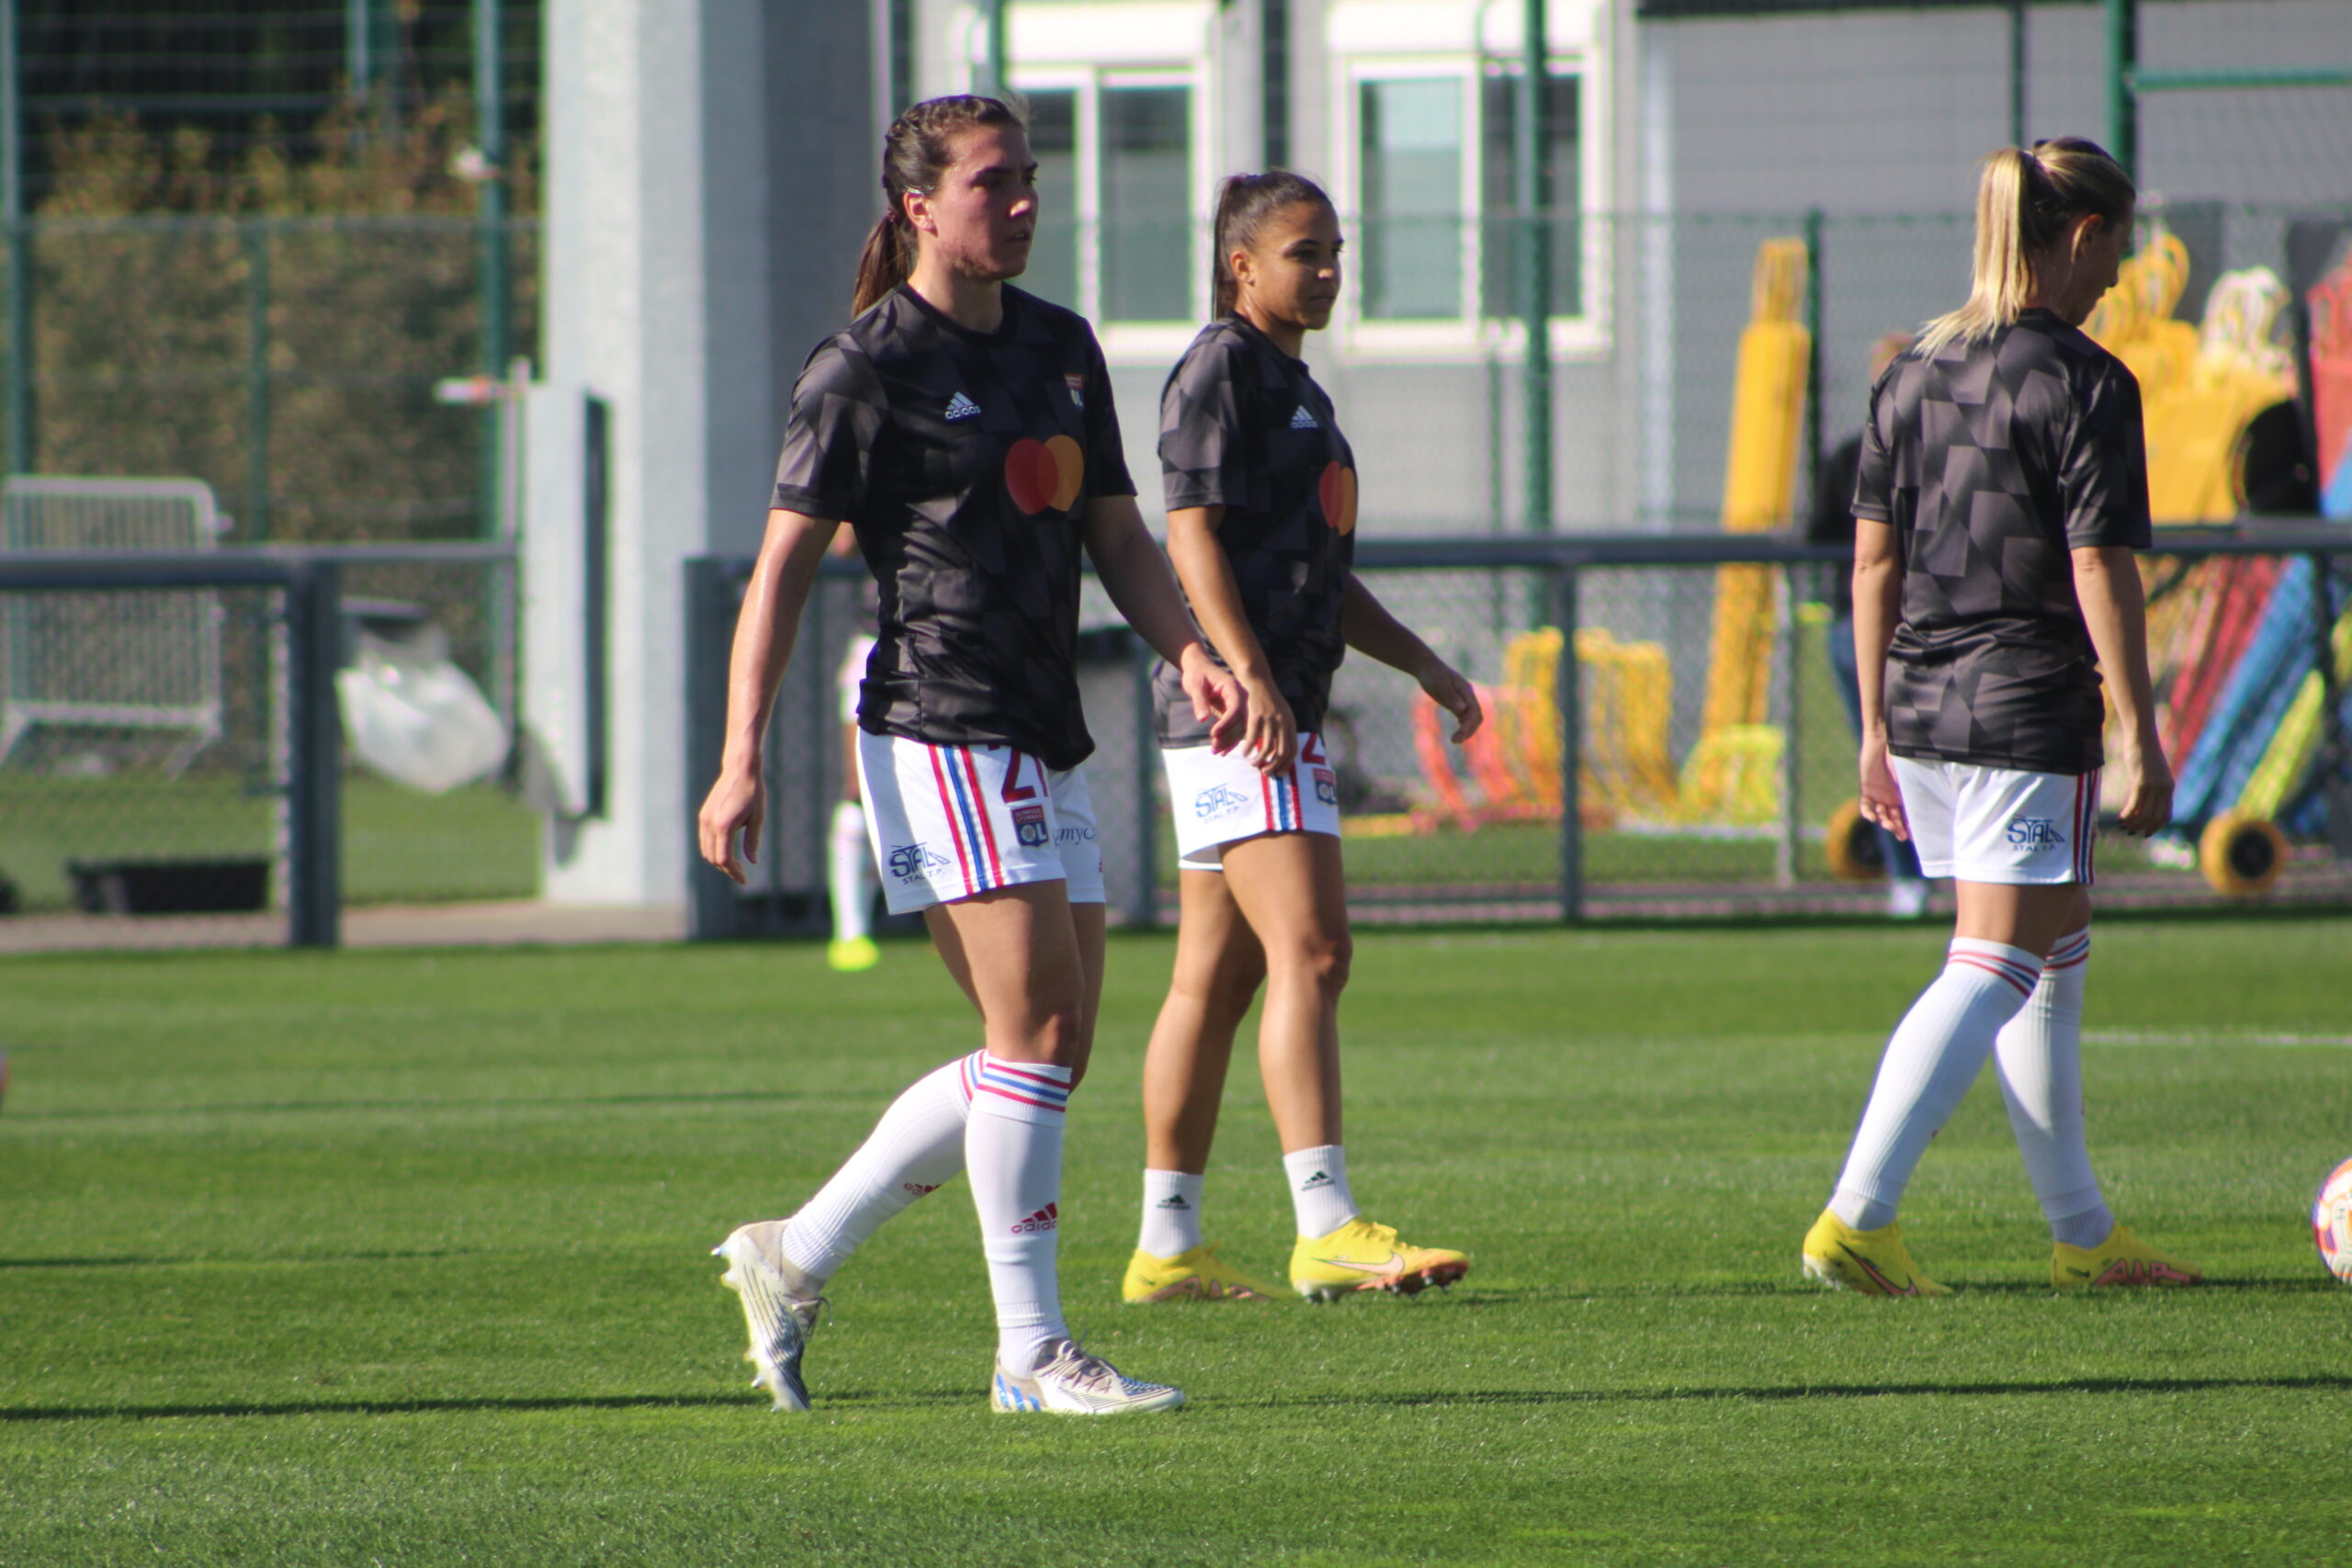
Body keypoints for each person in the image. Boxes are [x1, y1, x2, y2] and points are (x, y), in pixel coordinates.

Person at [699, 95, 1248, 1415]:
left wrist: (1190, 651)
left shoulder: (1061, 347)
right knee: (1036, 1032)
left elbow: (1119, 535)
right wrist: (741, 756)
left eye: (1029, 179)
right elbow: (778, 572)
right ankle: (1030, 1351)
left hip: (1047, 724)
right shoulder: (863, 365)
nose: (1022, 201)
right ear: (919, 207)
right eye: (993, 181)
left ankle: (799, 1249)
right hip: (937, 719)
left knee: (1045, 1050)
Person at [1801, 137, 2200, 1295]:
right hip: (2022, 707)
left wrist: (1871, 725)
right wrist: (2140, 726)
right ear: (2078, 238)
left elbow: (1868, 565)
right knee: (1993, 959)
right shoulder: (2084, 379)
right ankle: (1858, 1217)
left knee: (2051, 938)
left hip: (1922, 707)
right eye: (2116, 250)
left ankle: (2083, 1233)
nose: (2119, 278)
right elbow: (2099, 569)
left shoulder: (1914, 365)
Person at [1120, 173, 1485, 1307]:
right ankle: (1325, 1223)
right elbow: (1189, 540)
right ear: (1242, 265)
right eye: (1302, 254)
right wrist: (1248, 676)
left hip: (1253, 701)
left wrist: (1420, 661)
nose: (1325, 272)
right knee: (1315, 951)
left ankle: (1165, 1248)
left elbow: (1319, 577)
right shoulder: (1222, 368)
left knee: (1215, 981)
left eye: (1334, 252)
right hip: (1242, 711)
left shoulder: (1293, 386)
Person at [1810, 333, 1933, 919]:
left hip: (1929, 624)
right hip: (1869, 624)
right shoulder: (1855, 457)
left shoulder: (1940, 455)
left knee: (1929, 753)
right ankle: (1907, 874)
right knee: (1885, 751)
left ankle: (1932, 872)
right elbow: (1824, 539)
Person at [826, 557, 881, 974]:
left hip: (956, 648)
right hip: (878, 645)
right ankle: (850, 932)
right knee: (858, 792)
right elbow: (841, 542)